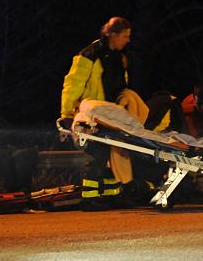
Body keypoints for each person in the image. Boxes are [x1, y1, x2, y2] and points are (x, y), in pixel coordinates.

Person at [60, 16, 149, 208]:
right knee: (97, 152)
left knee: (112, 154)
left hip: (110, 115)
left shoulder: (120, 57)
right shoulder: (90, 54)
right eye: (125, 36)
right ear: (113, 35)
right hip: (90, 114)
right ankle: (90, 197)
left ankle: (110, 195)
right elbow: (72, 84)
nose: (128, 40)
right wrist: (66, 113)